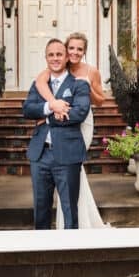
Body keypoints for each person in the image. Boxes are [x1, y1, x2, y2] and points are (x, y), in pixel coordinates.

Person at [33, 32, 110, 229]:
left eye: (80, 49)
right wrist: (53, 106)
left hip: (82, 120)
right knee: (66, 166)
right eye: (72, 48)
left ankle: (76, 217)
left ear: (84, 52)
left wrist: (86, 85)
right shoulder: (57, 66)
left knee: (72, 164)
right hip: (59, 113)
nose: (75, 52)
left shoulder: (91, 71)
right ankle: (74, 216)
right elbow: (40, 84)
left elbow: (101, 100)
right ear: (66, 51)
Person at [22, 39, 91, 229]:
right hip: (40, 155)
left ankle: (70, 252)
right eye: (51, 55)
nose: (55, 58)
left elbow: (79, 113)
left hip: (68, 155)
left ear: (67, 57)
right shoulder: (38, 85)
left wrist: (46, 118)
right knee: (40, 208)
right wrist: (51, 105)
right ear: (46, 58)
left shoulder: (79, 85)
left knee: (70, 210)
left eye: (59, 54)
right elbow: (27, 109)